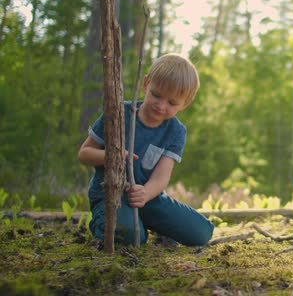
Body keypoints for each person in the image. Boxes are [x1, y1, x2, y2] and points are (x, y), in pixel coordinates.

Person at [78, 53, 214, 246]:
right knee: (132, 237)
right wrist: (113, 156)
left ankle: (149, 224)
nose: (161, 105)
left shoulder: (176, 131)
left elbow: (161, 177)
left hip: (147, 197)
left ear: (185, 103)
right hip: (110, 195)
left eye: (172, 102)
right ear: (145, 85)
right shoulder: (118, 113)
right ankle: (103, 225)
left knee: (202, 233)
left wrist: (146, 193)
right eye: (156, 95)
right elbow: (84, 153)